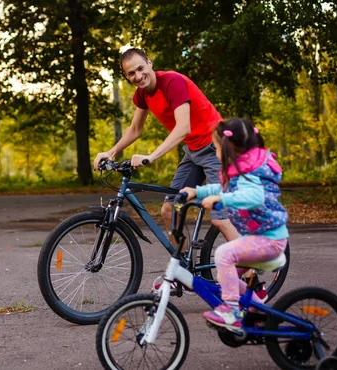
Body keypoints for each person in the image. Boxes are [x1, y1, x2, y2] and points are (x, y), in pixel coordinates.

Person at [93, 47, 238, 243]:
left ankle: (249, 269)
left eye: (140, 68)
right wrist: (111, 152)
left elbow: (183, 128)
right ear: (127, 77)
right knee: (170, 210)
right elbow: (136, 129)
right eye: (131, 73)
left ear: (149, 63)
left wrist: (151, 156)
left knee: (220, 218)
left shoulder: (172, 82)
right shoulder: (143, 94)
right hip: (193, 150)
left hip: (216, 148)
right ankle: (185, 270)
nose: (138, 76)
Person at [180, 117, 289, 331]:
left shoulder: (249, 172)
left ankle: (231, 312)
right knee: (226, 275)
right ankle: (258, 310)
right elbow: (224, 189)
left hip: (270, 240)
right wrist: (197, 191)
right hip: (258, 238)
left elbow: (254, 197)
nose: (214, 150)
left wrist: (222, 200)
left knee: (223, 254)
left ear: (228, 147)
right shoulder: (239, 168)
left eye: (217, 146)